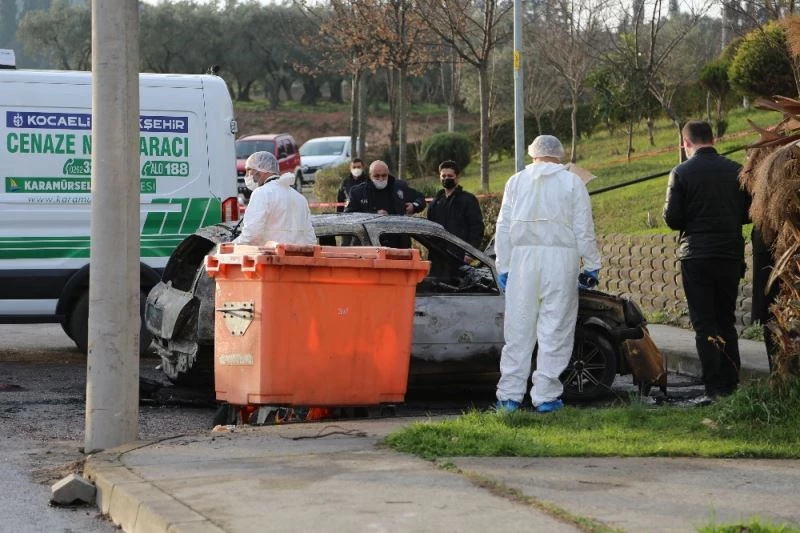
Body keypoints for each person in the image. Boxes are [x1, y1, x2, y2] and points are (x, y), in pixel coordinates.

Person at [494, 135, 601, 414]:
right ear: (560, 155)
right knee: (555, 328)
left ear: (532, 155)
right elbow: (583, 227)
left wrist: (503, 266)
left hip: (522, 260)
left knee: (519, 328)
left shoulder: (516, 181)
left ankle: (509, 396)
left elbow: (503, 227)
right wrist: (591, 263)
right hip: (560, 260)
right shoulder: (572, 182)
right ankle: (545, 396)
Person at [663, 120, 750, 402]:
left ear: (686, 143)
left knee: (704, 324)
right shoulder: (737, 170)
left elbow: (673, 219)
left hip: (696, 255)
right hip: (729, 254)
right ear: (713, 138)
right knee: (726, 320)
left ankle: (713, 389)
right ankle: (731, 383)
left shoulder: (681, 172)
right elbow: (749, 213)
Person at [233, 151, 316, 246]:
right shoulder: (299, 197)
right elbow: (310, 238)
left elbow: (251, 234)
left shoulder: (262, 193)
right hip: (298, 258)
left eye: (249, 170)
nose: (247, 175)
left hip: (271, 258)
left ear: (262, 170)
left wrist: (231, 246)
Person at [344, 160, 426, 248]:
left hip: (398, 243)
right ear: (370, 176)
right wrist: (374, 215)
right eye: (377, 176)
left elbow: (420, 199)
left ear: (388, 174)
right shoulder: (358, 192)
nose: (381, 179)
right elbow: (348, 216)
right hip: (368, 244)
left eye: (384, 175)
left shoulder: (399, 187)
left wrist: (414, 206)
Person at [427, 160, 485, 251]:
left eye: (450, 176)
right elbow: (430, 229)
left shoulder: (468, 200)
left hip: (459, 254)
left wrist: (470, 252)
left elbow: (476, 228)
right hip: (438, 254)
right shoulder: (435, 203)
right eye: (443, 176)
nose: (446, 178)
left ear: (457, 177)